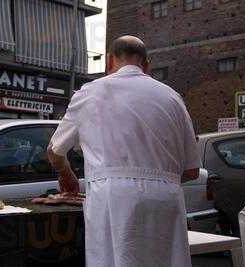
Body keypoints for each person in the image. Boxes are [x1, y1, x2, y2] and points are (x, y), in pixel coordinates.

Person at [47, 35, 201, 267]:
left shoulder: (90, 92)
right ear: (146, 65)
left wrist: (66, 175)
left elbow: (54, 151)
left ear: (109, 61)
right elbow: (191, 171)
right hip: (165, 198)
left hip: (113, 197)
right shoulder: (172, 98)